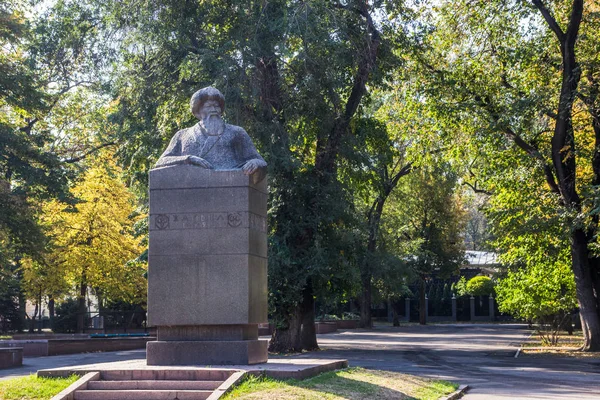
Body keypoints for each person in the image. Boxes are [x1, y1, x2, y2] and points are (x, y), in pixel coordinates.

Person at [155, 87, 267, 177]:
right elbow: (161, 162)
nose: (213, 110)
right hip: (191, 190)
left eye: (216, 106)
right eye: (208, 106)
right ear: (198, 111)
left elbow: (260, 161)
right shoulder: (182, 135)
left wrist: (255, 164)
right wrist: (188, 159)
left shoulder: (236, 132)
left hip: (230, 184)